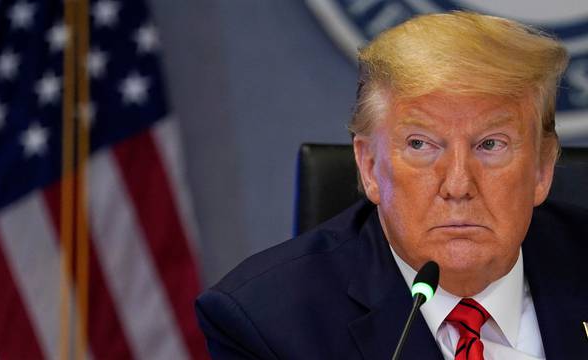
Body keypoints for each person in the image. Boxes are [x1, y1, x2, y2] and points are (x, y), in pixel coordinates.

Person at [196, 12, 588, 359]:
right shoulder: (269, 324)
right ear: (369, 167)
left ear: (541, 169)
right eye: (420, 144)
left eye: (490, 144)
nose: (457, 184)